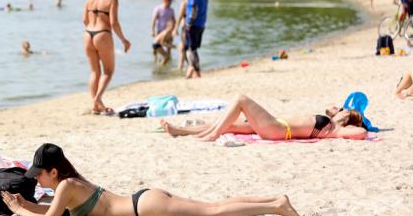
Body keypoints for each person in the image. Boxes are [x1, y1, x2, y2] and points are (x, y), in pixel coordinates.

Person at [1, 143, 301, 216]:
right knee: (213, 206)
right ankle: (274, 200)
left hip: (145, 207)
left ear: (53, 171)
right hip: (144, 200)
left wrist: (19, 210)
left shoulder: (66, 186)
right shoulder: (70, 184)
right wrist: (25, 204)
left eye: (39, 174)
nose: (37, 178)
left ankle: (276, 206)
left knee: (213, 212)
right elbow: (52, 211)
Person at [159, 94, 371, 142]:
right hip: (276, 125)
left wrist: (353, 120)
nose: (339, 107)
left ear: (348, 115)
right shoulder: (330, 124)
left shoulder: (335, 129)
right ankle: (180, 130)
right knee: (229, 124)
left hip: (277, 129)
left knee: (241, 99)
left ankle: (212, 135)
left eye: (343, 108)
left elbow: (361, 133)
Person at [82, 0, 131, 115]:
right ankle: (97, 100)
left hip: (87, 34)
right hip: (102, 34)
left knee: (94, 72)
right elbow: (114, 23)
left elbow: (84, 20)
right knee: (108, 72)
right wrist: (124, 40)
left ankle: (96, 106)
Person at [184, 0, 208, 79]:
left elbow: (193, 10)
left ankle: (196, 72)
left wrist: (189, 23)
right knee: (192, 48)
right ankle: (195, 72)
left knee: (190, 49)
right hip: (201, 24)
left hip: (193, 25)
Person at [150, 0, 175, 65]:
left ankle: (167, 60)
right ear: (165, 1)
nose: (171, 3)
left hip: (169, 30)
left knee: (168, 48)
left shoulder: (171, 10)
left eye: (171, 2)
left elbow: (174, 19)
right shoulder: (158, 8)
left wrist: (175, 29)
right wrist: (152, 30)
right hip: (160, 30)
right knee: (157, 47)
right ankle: (155, 60)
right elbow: (153, 19)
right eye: (170, 2)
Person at [173, 0, 190, 72]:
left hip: (184, 27)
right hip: (191, 27)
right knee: (186, 47)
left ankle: (180, 67)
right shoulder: (192, 2)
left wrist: (175, 28)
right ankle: (189, 65)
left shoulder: (184, 3)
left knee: (182, 47)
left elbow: (180, 17)